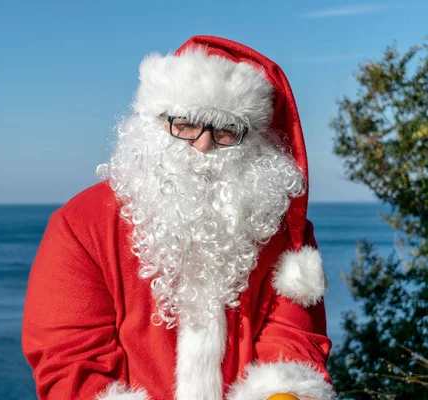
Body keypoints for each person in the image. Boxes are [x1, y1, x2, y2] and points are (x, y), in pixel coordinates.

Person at [21, 35, 336, 400]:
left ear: (253, 139)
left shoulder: (279, 229)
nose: (203, 145)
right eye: (184, 124)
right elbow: (68, 359)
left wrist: (282, 393)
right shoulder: (80, 225)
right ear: (153, 122)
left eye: (226, 130)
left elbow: (293, 334)